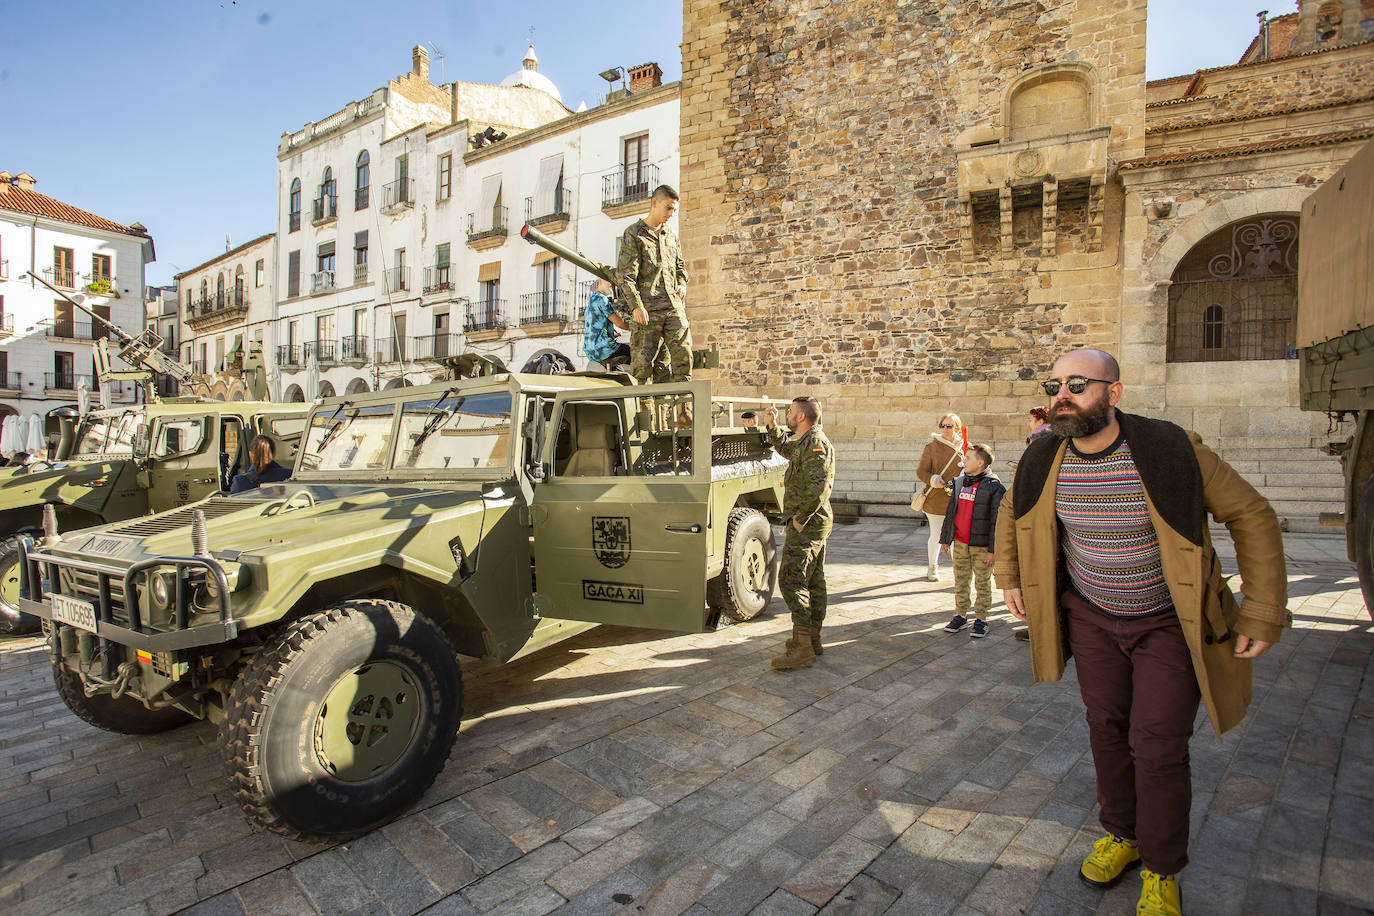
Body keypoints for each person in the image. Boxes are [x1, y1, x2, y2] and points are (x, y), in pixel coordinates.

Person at [994, 348, 1288, 916]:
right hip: (1091, 617)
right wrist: (1010, 576)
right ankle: (1122, 836)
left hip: (1166, 624)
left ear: (1114, 392)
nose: (1062, 394)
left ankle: (1161, 866)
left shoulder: (1170, 449)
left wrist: (1263, 609)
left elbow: (1250, 512)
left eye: (1078, 383)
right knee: (1106, 728)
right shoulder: (1042, 456)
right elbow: (1015, 513)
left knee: (1157, 746)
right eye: (1054, 384)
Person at [763, 397, 835, 670]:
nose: (787, 415)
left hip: (808, 524)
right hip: (812, 523)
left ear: (802, 416)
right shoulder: (805, 442)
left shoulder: (816, 445)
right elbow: (785, 448)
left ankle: (803, 647)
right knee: (814, 581)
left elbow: (820, 487)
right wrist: (772, 425)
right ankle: (810, 640)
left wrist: (800, 519)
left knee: (791, 581)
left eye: (790, 412)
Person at [617, 184, 691, 384]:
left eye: (674, 210)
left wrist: (682, 283)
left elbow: (680, 266)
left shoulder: (671, 236)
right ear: (654, 203)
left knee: (683, 358)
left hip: (673, 307)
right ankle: (645, 413)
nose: (671, 214)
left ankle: (684, 412)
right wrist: (636, 306)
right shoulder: (633, 234)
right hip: (647, 313)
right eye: (668, 208)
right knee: (643, 367)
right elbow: (625, 276)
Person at [938, 444, 1005, 638]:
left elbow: (996, 521)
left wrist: (993, 550)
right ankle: (960, 614)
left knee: (982, 583)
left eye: (967, 458)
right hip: (960, 543)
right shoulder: (960, 483)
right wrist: (945, 538)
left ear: (980, 462)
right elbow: (951, 512)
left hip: (982, 547)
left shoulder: (994, 487)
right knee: (961, 581)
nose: (963, 461)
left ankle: (982, 618)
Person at [915, 413, 964, 582]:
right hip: (935, 498)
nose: (945, 429)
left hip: (958, 499)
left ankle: (958, 570)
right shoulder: (931, 447)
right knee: (936, 534)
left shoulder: (966, 447)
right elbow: (921, 471)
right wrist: (934, 480)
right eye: (942, 425)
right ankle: (932, 566)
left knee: (957, 537)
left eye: (949, 426)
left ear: (957, 428)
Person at [583, 278, 631, 368]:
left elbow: (596, 326)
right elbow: (620, 323)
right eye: (608, 280)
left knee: (617, 372)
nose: (611, 284)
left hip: (592, 351)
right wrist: (637, 326)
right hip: (604, 349)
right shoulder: (602, 299)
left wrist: (612, 334)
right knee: (636, 355)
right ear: (600, 280)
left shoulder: (592, 300)